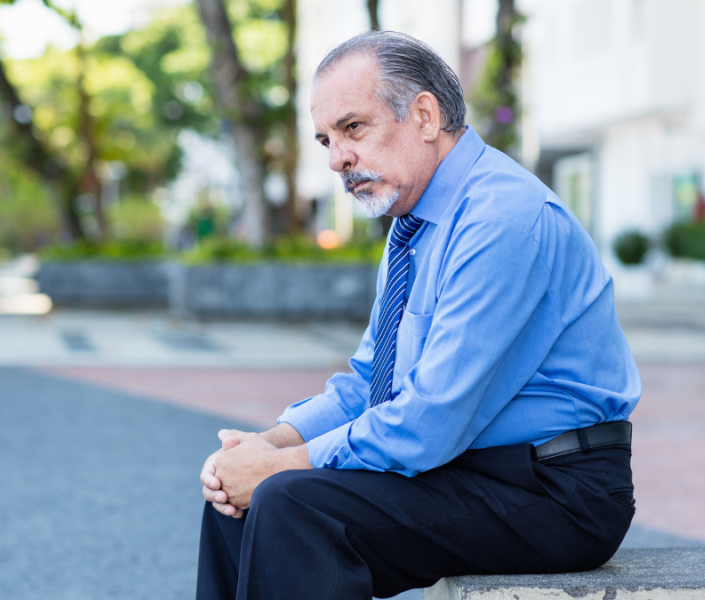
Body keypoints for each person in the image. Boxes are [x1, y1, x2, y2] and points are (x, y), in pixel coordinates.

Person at [196, 31, 640, 600]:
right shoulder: (413, 226)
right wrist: (265, 447)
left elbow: (431, 419)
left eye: (353, 128)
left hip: (556, 491)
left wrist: (285, 468)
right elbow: (367, 384)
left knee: (291, 503)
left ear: (425, 116)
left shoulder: (503, 217)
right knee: (241, 503)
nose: (337, 158)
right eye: (325, 139)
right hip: (470, 467)